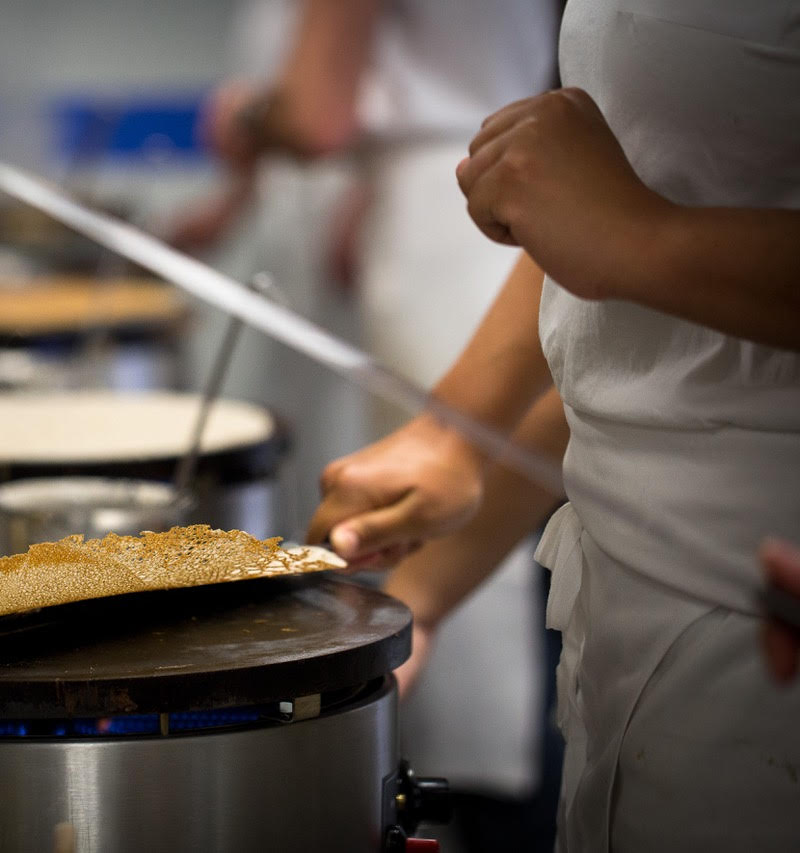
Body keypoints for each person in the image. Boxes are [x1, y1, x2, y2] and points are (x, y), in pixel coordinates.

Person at [309, 1, 800, 848]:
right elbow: (614, 269)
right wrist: (454, 436)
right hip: (626, 624)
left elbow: (625, 232)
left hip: (759, 636)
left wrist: (647, 239)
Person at [173, 2, 566, 847]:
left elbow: (318, 112)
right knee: (483, 595)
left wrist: (242, 116)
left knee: (481, 632)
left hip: (449, 233)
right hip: (466, 198)